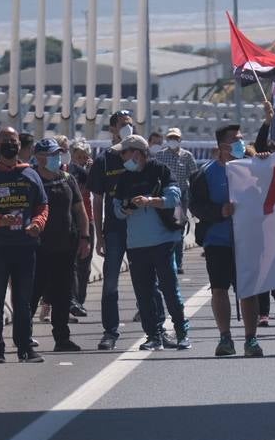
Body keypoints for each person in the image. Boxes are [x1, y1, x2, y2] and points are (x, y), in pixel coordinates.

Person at [0, 126, 48, 364]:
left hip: (25, 247)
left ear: (18, 144)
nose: (9, 145)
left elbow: (42, 206)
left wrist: (37, 223)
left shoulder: (31, 175)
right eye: (5, 141)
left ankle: (25, 348)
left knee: (23, 300)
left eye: (13, 141)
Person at [190, 123, 267, 356]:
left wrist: (267, 161)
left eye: (242, 139)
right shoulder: (204, 173)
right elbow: (196, 206)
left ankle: (251, 339)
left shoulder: (254, 167)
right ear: (222, 145)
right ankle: (225, 338)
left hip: (247, 240)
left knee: (248, 291)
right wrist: (218, 212)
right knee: (219, 290)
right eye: (235, 139)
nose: (240, 143)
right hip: (218, 241)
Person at [88, 110, 160, 351]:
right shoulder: (104, 161)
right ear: (112, 129)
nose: (127, 128)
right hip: (115, 230)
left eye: (130, 124)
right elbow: (96, 201)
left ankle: (157, 329)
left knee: (149, 281)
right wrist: (98, 234)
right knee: (110, 283)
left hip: (142, 229)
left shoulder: (141, 156)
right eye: (122, 125)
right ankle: (110, 331)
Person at [113, 134, 190, 351]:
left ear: (137, 152)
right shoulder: (124, 178)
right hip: (136, 244)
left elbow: (174, 197)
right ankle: (153, 335)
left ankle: (182, 331)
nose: (122, 157)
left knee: (169, 288)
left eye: (124, 152)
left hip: (163, 241)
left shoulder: (160, 170)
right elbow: (116, 210)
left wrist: (150, 201)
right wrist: (126, 208)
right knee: (144, 293)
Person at [30, 139, 91, 352]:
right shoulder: (30, 179)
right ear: (39, 157)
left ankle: (62, 338)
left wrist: (85, 238)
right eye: (51, 154)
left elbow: (80, 211)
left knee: (63, 295)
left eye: (58, 154)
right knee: (32, 293)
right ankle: (24, 337)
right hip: (38, 248)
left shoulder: (67, 179)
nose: (56, 158)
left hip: (65, 247)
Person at [153, 127, 199, 276]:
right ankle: (164, 262)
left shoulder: (187, 156)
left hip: (181, 198)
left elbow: (194, 176)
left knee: (178, 229)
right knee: (163, 228)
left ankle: (178, 263)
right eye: (170, 138)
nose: (173, 141)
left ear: (180, 140)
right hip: (164, 198)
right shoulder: (160, 156)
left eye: (176, 138)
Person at [66, 140, 94, 318]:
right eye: (78, 157)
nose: (82, 160)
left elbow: (95, 189)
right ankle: (72, 300)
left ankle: (80, 299)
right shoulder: (67, 172)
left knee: (85, 264)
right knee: (72, 264)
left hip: (87, 219)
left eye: (84, 157)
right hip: (71, 220)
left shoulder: (88, 173)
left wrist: (91, 171)